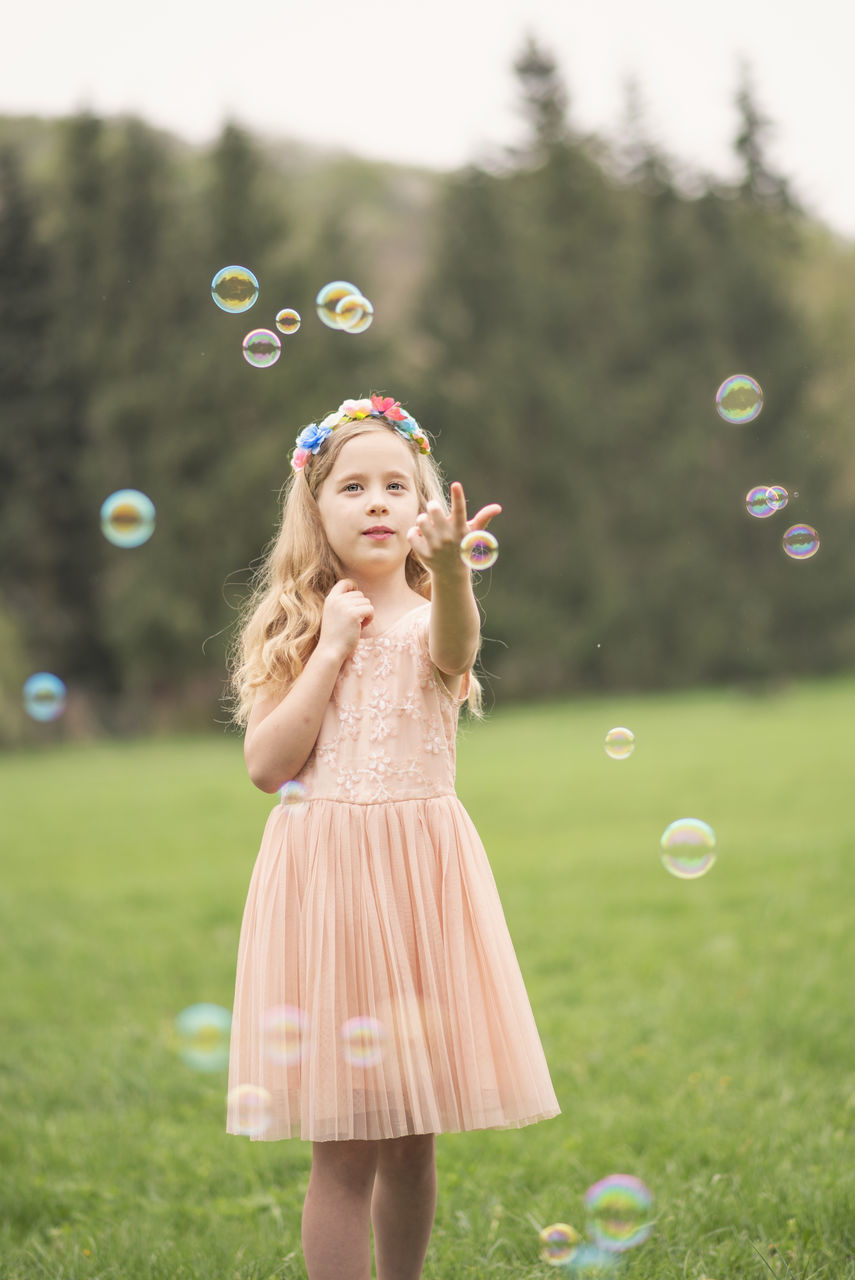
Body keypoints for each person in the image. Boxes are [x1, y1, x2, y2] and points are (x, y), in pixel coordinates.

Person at [226, 394, 559, 1280]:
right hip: (328, 891)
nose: (376, 502)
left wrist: (451, 573)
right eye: (352, 486)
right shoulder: (294, 629)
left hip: (419, 890)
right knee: (343, 1146)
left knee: (413, 1139)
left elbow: (456, 647)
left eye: (396, 487)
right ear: (314, 507)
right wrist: (329, 649)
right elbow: (268, 766)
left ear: (423, 509)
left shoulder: (429, 620)